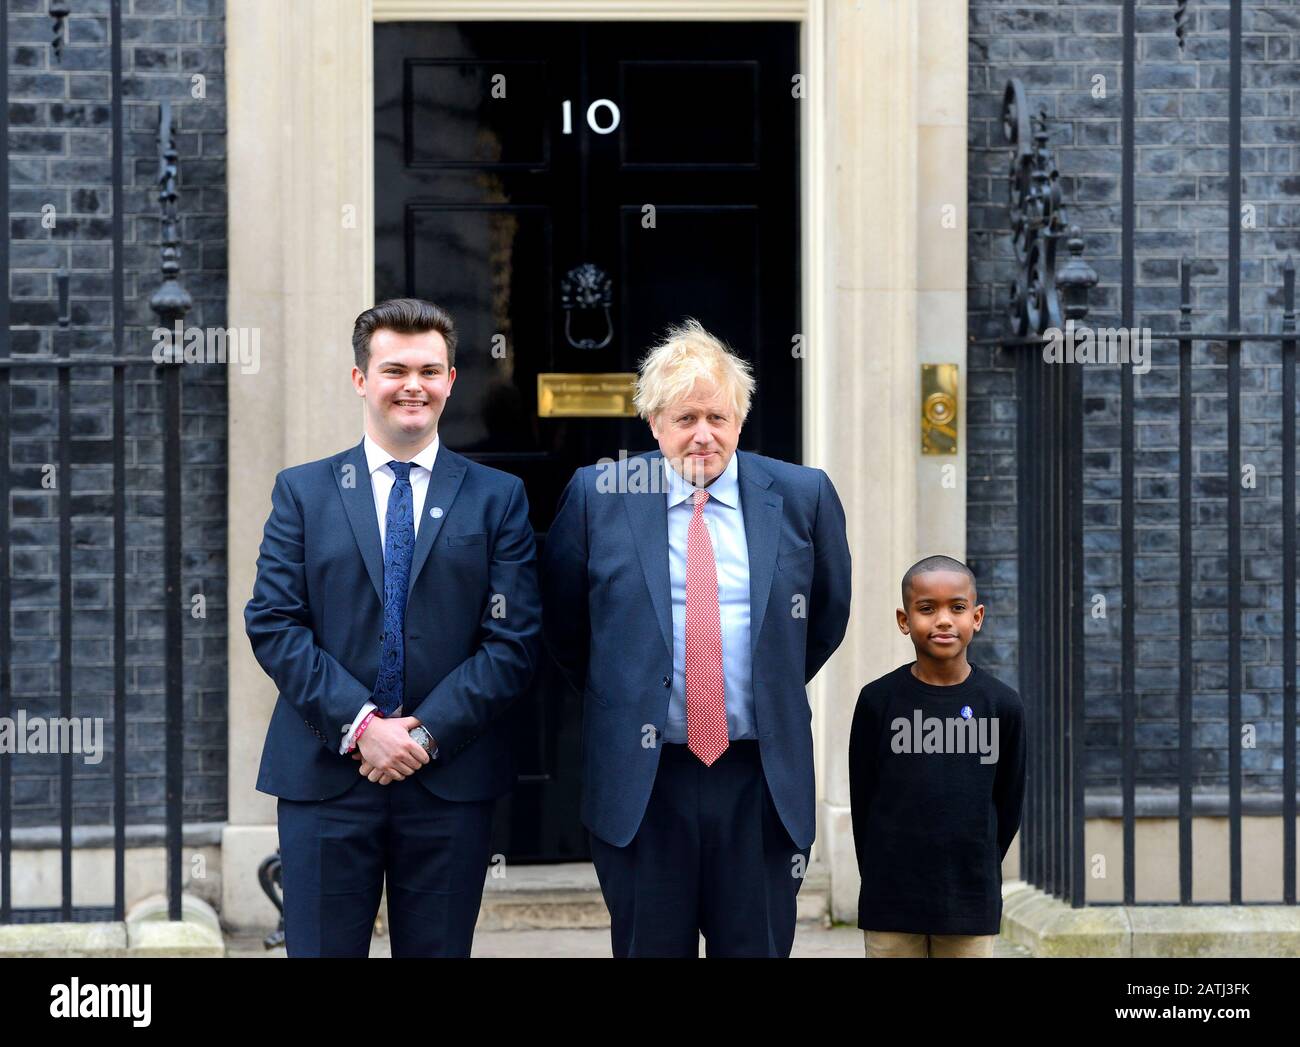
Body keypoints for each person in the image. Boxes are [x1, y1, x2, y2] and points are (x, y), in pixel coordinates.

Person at [542, 318, 852, 957]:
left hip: (759, 779)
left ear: (740, 417)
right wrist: (629, 693)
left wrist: (764, 684)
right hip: (645, 783)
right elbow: (567, 628)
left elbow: (824, 617)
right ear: (653, 424)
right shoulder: (598, 496)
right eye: (685, 418)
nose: (703, 435)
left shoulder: (802, 496)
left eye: (718, 416)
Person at [245, 298, 541, 957]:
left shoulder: (498, 498)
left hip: (449, 780)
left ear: (451, 380)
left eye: (431, 370)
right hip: (325, 775)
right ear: (361, 379)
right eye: (395, 368)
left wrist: (424, 735)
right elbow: (274, 621)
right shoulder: (304, 491)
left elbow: (513, 642)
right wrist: (363, 726)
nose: (414, 385)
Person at [849, 555, 1026, 958]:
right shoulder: (877, 701)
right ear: (904, 619)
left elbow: (1008, 802)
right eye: (927, 609)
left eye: (957, 608)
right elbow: (864, 799)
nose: (943, 620)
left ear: (977, 617)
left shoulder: (1002, 704)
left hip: (969, 898)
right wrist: (878, 873)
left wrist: (978, 864)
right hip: (891, 899)